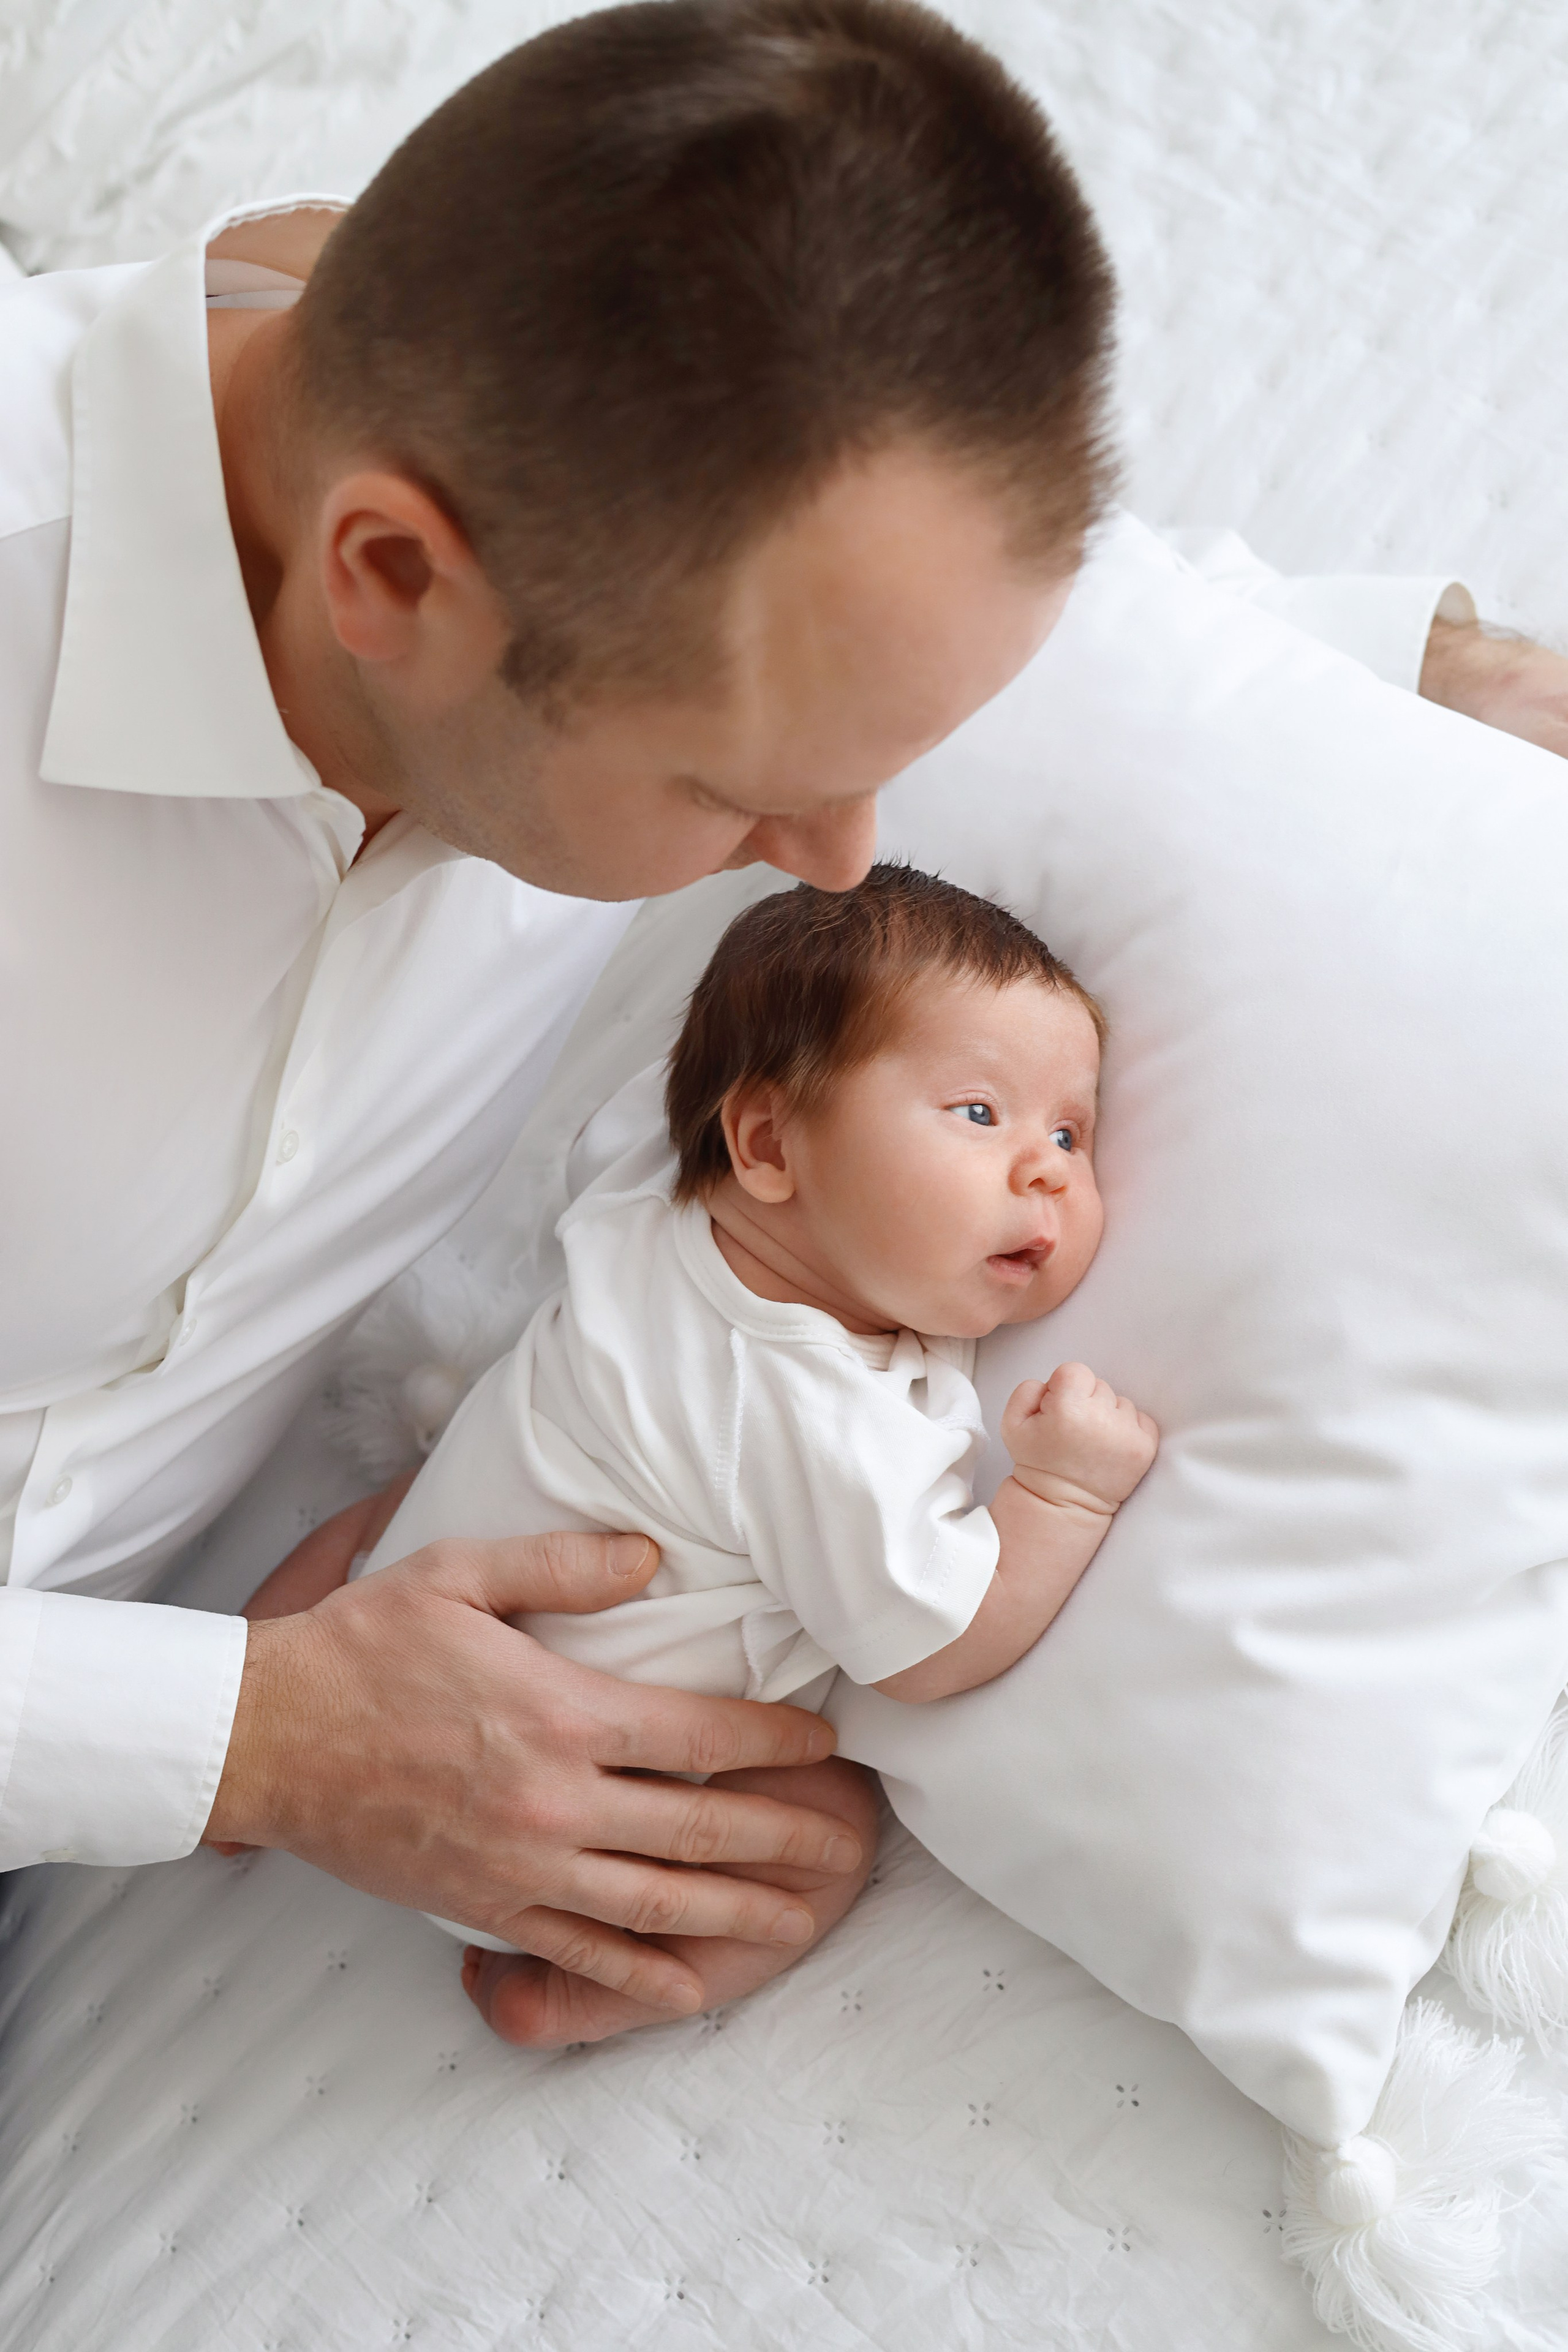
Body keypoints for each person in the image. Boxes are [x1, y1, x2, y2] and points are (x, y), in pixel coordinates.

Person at [0, 0, 1559, 2045]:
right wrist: (257, 1739)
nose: (834, 858)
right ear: (391, 580)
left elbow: (884, 557)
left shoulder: (496, 422)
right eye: (742, 791)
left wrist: (1420, 670)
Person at [242, 865, 1158, 2043]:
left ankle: (247, 1698)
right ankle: (562, 1993)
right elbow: (935, 1651)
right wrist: (1067, 1492)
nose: (1048, 1169)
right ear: (767, 1142)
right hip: (559, 1829)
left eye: (1072, 1132)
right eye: (980, 1115)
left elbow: (650, 1100)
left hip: (378, 1624)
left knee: (391, 1507)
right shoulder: (813, 1417)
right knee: (827, 1828)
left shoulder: (644, 1189)